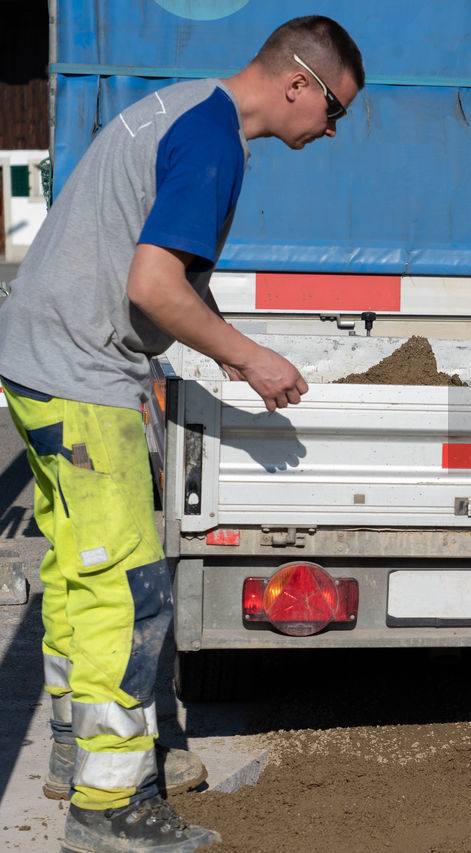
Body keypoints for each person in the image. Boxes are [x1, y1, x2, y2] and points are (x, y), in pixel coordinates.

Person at [0, 15, 364, 852]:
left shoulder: (185, 108)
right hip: (79, 376)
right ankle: (111, 806)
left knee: (79, 569)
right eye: (335, 111)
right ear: (298, 83)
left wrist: (205, 355)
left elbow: (152, 276)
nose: (333, 131)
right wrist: (253, 358)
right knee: (129, 592)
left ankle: (74, 747)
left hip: (42, 360)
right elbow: (154, 283)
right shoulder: (215, 143)